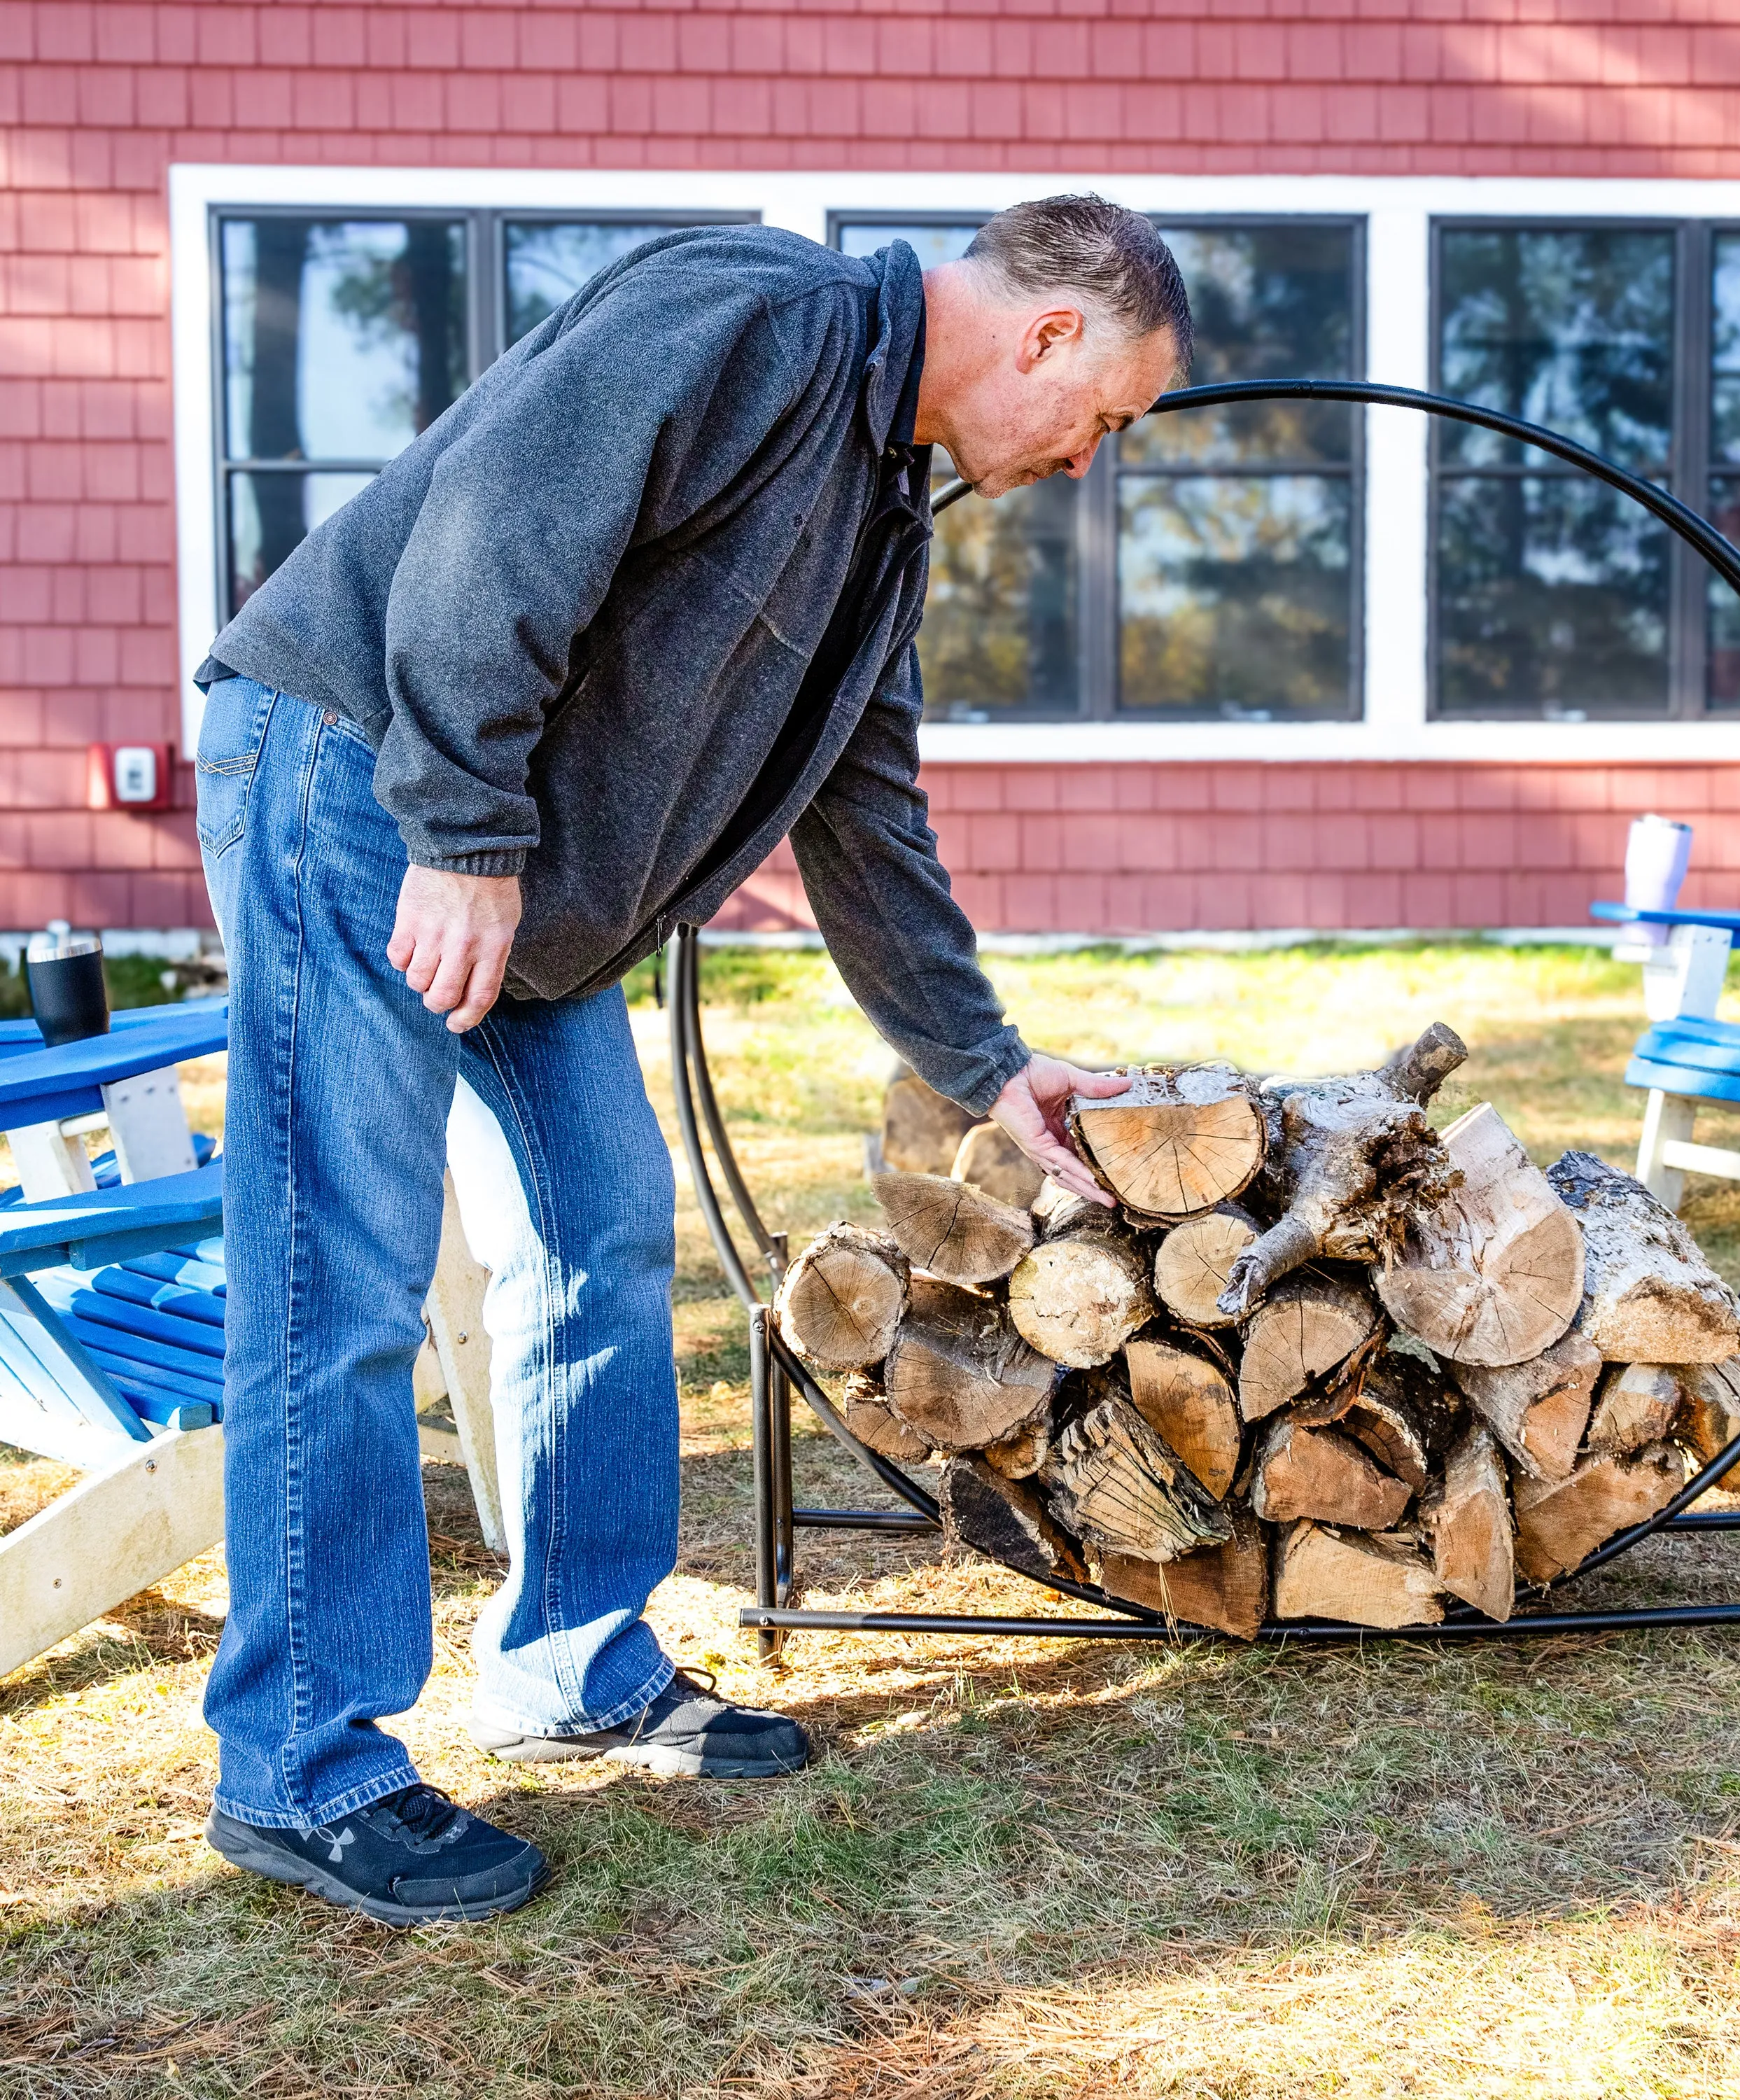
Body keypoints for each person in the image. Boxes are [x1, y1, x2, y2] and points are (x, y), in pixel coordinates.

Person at [188, 197, 1191, 1924]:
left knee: (601, 1231)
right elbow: (501, 528)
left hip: (514, 863)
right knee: (340, 1272)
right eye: (1105, 415)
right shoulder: (758, 312)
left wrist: (986, 1065)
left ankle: (574, 1659)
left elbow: (867, 820)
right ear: (1046, 335)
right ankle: (302, 1764)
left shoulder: (888, 521)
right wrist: (460, 828)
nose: (1090, 458)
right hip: (362, 778)